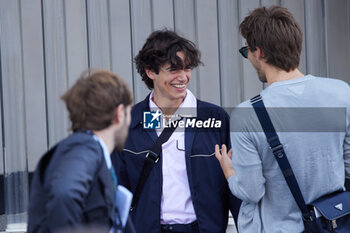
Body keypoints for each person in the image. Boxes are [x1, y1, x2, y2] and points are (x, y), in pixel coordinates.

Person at [215, 6, 350, 233]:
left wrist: (229, 172)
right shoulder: (341, 93)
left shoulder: (246, 114)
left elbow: (251, 191)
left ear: (259, 53)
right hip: (333, 224)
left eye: (246, 50)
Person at [112, 29, 241, 233]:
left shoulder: (215, 119)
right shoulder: (128, 123)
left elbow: (236, 186)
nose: (182, 77)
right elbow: (115, 191)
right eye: (173, 69)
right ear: (150, 71)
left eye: (187, 68)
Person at [27, 70, 133, 233]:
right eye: (129, 113)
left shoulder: (90, 150)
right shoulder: (84, 148)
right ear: (119, 113)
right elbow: (65, 194)